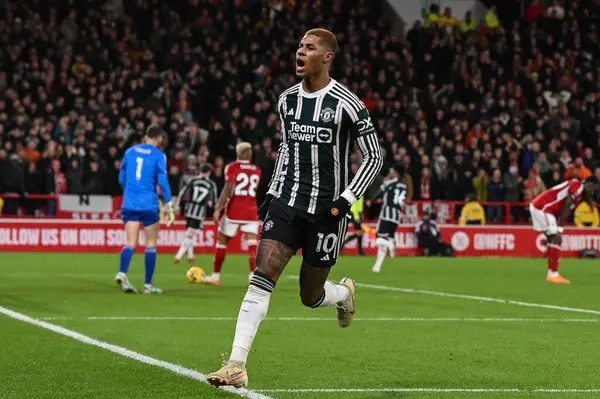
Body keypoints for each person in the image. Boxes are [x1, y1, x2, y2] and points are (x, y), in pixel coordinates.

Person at [207, 28, 383, 388]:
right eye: (300, 46)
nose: (300, 52)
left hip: (327, 212)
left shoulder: (348, 103)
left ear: (327, 57)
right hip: (287, 202)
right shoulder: (287, 100)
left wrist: (344, 203)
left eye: (310, 47)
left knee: (309, 295)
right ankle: (236, 364)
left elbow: (374, 156)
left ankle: (344, 293)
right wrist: (272, 193)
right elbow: (286, 149)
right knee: (261, 278)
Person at [114, 125, 175, 294]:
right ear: (159, 139)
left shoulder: (130, 152)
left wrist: (130, 191)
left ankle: (122, 272)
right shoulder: (158, 155)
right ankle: (148, 285)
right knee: (151, 243)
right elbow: (162, 182)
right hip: (149, 203)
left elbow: (121, 178)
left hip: (130, 202)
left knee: (131, 243)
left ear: (146, 136)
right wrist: (169, 204)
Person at [204, 142, 262, 286]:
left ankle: (215, 277)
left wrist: (218, 208)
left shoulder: (232, 167)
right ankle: (253, 277)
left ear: (238, 153)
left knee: (222, 242)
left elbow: (228, 188)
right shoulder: (256, 170)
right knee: (253, 244)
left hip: (234, 210)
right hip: (251, 210)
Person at [529, 176, 599, 284]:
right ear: (588, 184)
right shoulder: (578, 186)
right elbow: (567, 203)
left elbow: (570, 204)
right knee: (556, 238)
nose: (593, 191)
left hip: (542, 207)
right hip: (543, 207)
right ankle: (553, 274)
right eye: (593, 188)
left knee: (553, 239)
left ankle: (551, 271)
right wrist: (560, 226)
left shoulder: (580, 192)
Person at [173, 164, 218, 264]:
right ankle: (178, 256)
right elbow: (214, 200)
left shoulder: (193, 180)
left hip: (189, 210)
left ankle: (190, 256)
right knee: (190, 233)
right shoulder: (211, 184)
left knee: (190, 232)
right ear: (209, 173)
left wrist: (177, 206)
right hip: (199, 212)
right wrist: (216, 210)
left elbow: (182, 193)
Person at [370, 164, 407, 273]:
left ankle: (390, 244)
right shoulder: (403, 186)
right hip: (396, 216)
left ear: (395, 173)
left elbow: (378, 194)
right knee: (385, 240)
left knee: (378, 239)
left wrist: (371, 201)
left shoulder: (388, 183)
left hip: (386, 214)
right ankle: (377, 266)